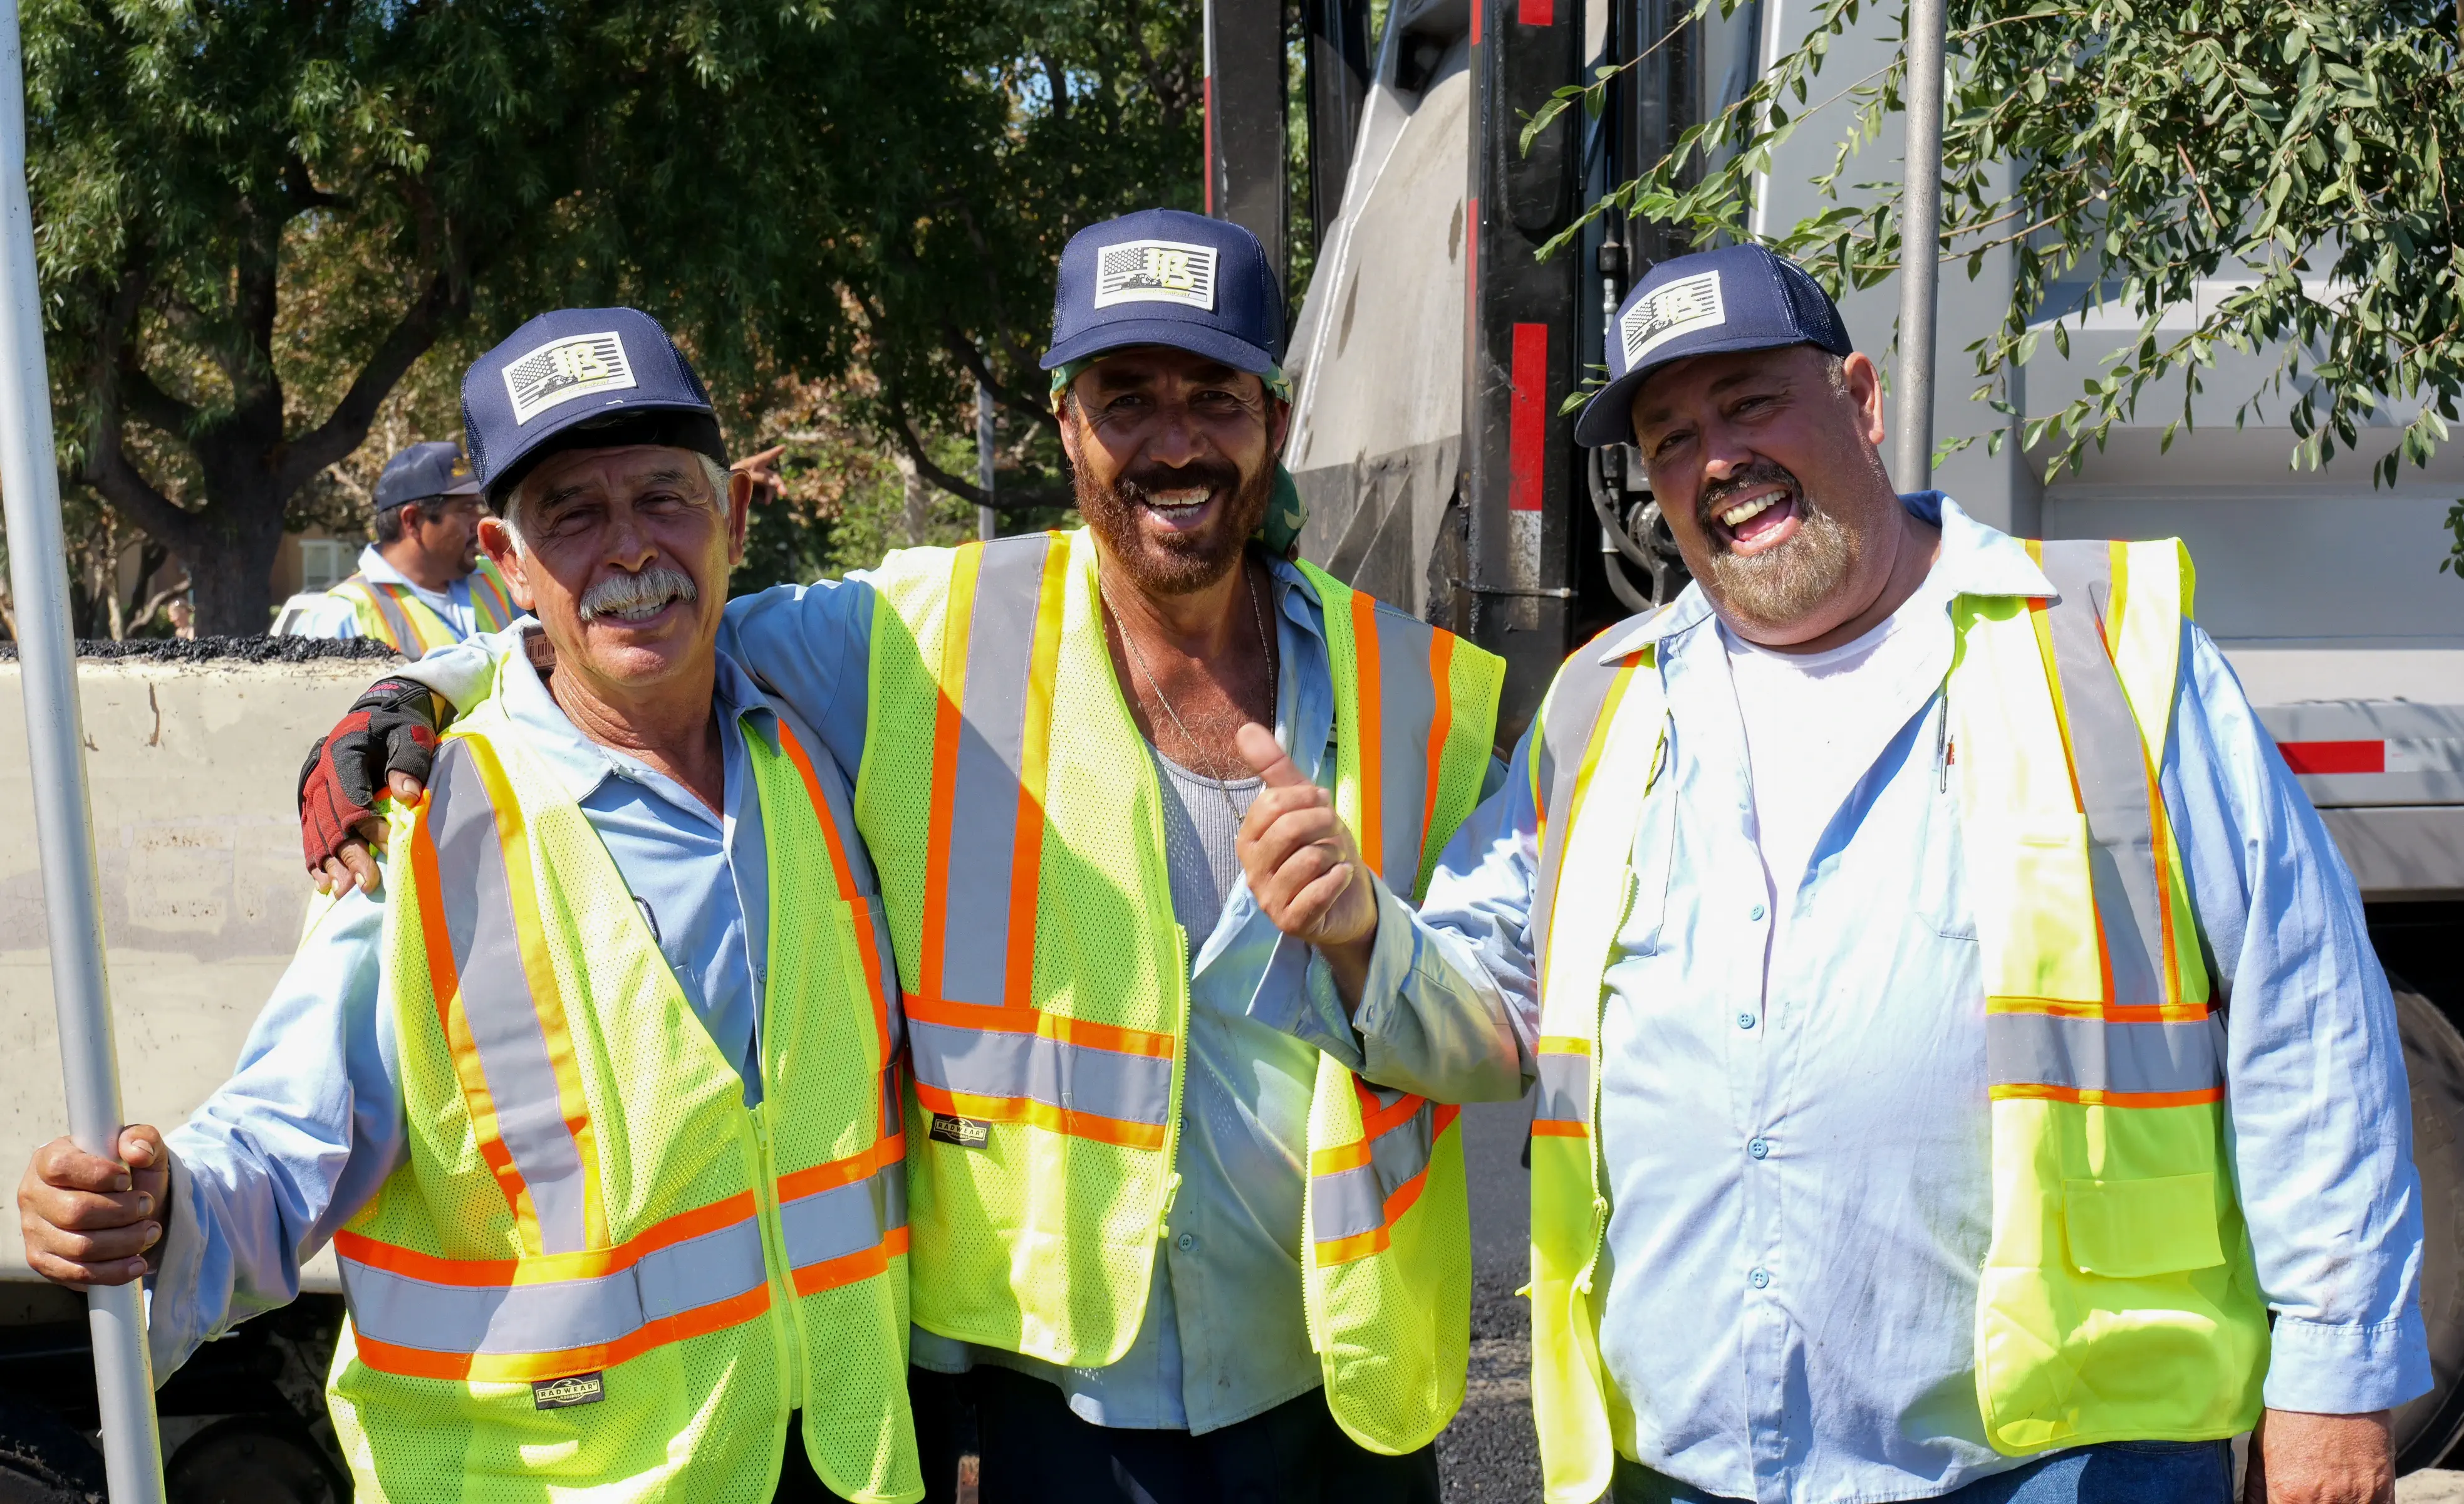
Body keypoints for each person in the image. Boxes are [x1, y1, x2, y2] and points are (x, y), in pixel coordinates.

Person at [296, 210, 1515, 1503]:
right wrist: (422, 686)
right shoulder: (924, 636)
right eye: (1125, 398)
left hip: (1340, 1407)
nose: (1171, 440)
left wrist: (1365, 942)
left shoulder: (1417, 696)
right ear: (1064, 423)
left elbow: (1504, 1034)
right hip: (1056, 1425)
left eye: (1212, 396)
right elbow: (644, 612)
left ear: (1272, 419)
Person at [1237, 244, 2430, 1504]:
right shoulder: (1607, 703)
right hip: (1687, 1465)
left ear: (1858, 399)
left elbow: (2308, 1017)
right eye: (1668, 435)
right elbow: (1493, 1009)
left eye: (1749, 403)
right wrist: (1361, 930)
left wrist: (2335, 1380)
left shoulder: (2101, 652)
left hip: (2061, 1462)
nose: (1714, 460)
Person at [19, 308, 921, 1504]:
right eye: (573, 517)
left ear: (733, 518)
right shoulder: (419, 824)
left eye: (663, 497)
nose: (631, 552)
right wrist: (154, 1202)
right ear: (506, 559)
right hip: (552, 1480)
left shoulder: (824, 744)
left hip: (839, 1457)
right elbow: (293, 1130)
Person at [297, 439, 520, 652]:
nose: (479, 521)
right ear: (413, 521)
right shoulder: (341, 618)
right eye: (467, 508)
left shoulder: (500, 578)